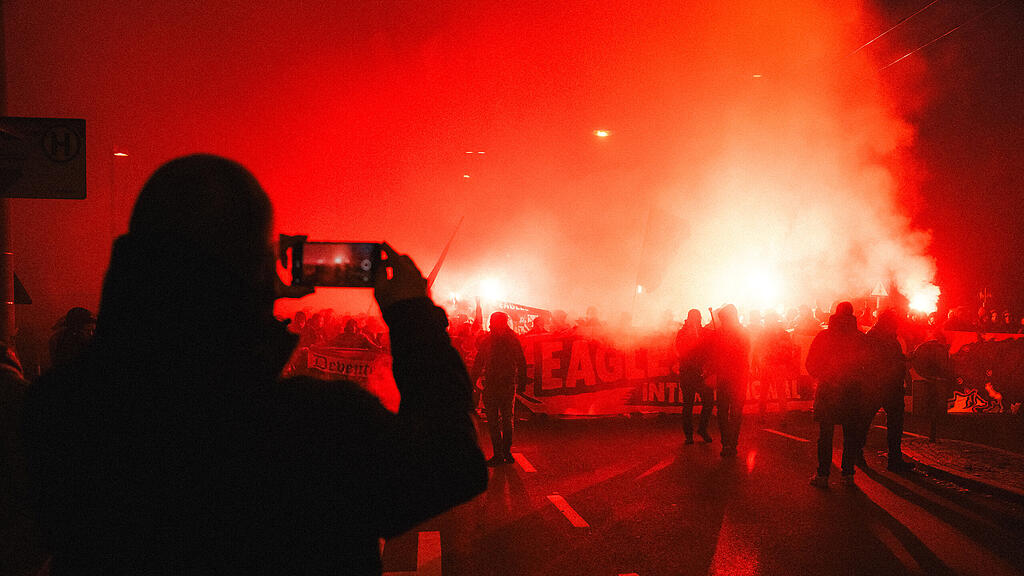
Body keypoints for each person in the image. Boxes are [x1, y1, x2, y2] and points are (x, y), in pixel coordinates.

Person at [21, 154, 487, 575]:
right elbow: (453, 460)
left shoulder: (55, 412)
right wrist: (413, 316)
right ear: (257, 272)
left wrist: (248, 287)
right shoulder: (314, 426)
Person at [806, 301, 873, 488]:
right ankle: (848, 475)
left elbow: (811, 363)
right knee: (850, 434)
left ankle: (823, 475)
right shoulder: (860, 338)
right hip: (852, 392)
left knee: (825, 435)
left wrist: (824, 376)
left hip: (828, 390)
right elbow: (868, 366)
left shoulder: (824, 336)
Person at [470, 311, 527, 466]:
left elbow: (478, 363)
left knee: (495, 421)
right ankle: (505, 453)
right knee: (506, 419)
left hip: (496, 385)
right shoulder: (511, 339)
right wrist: (521, 382)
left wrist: (471, 383)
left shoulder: (489, 340)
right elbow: (521, 361)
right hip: (505, 385)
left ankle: (499, 454)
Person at [866, 309, 914, 472]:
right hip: (883, 385)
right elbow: (883, 360)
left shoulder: (875, 335)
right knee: (880, 421)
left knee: (874, 421)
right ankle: (893, 459)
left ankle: (893, 458)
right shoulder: (879, 337)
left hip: (883, 385)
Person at [708, 304, 750, 457]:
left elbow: (740, 355)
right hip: (729, 378)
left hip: (735, 377)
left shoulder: (740, 334)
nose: (722, 322)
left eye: (724, 319)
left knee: (733, 411)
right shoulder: (724, 334)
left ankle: (730, 443)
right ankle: (728, 443)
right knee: (726, 411)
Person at [675, 309, 712, 444]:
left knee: (708, 400)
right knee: (688, 404)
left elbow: (711, 346)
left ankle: (702, 428)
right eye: (696, 318)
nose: (698, 320)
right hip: (687, 373)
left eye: (699, 318)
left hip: (701, 374)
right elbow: (680, 350)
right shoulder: (683, 333)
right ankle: (689, 435)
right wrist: (691, 336)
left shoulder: (704, 333)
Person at [757, 311, 793, 421]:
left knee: (764, 391)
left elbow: (758, 349)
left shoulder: (763, 333)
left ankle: (762, 416)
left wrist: (758, 363)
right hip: (779, 365)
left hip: (768, 364)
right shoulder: (783, 333)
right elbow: (789, 349)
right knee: (781, 392)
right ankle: (783, 417)